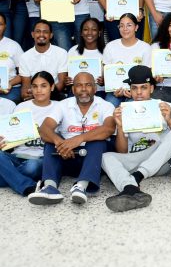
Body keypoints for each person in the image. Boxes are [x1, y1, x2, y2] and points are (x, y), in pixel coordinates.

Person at [102, 65, 171, 212]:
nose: (139, 92)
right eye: (134, 88)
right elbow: (122, 152)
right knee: (105, 157)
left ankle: (137, 177)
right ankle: (130, 187)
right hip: (135, 159)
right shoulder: (124, 110)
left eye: (144, 87)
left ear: (151, 88)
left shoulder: (167, 106)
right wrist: (120, 126)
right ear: (130, 89)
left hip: (160, 162)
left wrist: (169, 120)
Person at [28, 72, 116, 205]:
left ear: (95, 88)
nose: (84, 89)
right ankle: (50, 187)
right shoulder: (62, 105)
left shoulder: (106, 105)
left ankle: (81, 186)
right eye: (79, 85)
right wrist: (61, 143)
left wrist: (78, 139)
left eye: (88, 85)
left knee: (98, 141)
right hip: (66, 155)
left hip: (94, 160)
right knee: (51, 141)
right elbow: (44, 129)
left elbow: (108, 128)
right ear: (73, 89)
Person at [0, 71, 58, 196]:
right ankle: (26, 185)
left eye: (43, 86)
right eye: (35, 86)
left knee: (31, 167)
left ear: (52, 87)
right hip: (17, 156)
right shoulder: (21, 107)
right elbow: (11, 132)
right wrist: (3, 140)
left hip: (40, 158)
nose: (38, 90)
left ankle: (9, 176)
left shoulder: (60, 107)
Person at [103, 13, 152, 107]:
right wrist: (114, 90)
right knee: (109, 107)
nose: (125, 29)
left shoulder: (145, 47)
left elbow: (147, 75)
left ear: (136, 27)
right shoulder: (110, 47)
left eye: (129, 25)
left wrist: (134, 92)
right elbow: (106, 74)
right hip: (115, 92)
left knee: (132, 109)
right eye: (121, 26)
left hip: (138, 92)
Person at [19, 20, 67, 101]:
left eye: (45, 32)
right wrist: (26, 94)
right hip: (34, 96)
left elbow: (61, 84)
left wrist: (43, 95)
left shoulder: (61, 53)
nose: (41, 34)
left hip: (55, 94)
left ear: (51, 35)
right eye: (38, 31)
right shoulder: (24, 57)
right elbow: (26, 86)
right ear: (32, 34)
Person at [67, 18, 105, 96]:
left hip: (98, 91)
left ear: (99, 32)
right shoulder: (73, 51)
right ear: (81, 33)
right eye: (85, 29)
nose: (89, 33)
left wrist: (104, 81)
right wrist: (68, 80)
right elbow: (68, 75)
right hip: (77, 91)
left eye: (94, 29)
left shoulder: (107, 52)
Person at [0, 12, 24, 102]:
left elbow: (24, 72)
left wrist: (10, 83)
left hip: (10, 89)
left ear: (5, 26)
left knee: (6, 104)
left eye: (0, 24)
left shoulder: (13, 46)